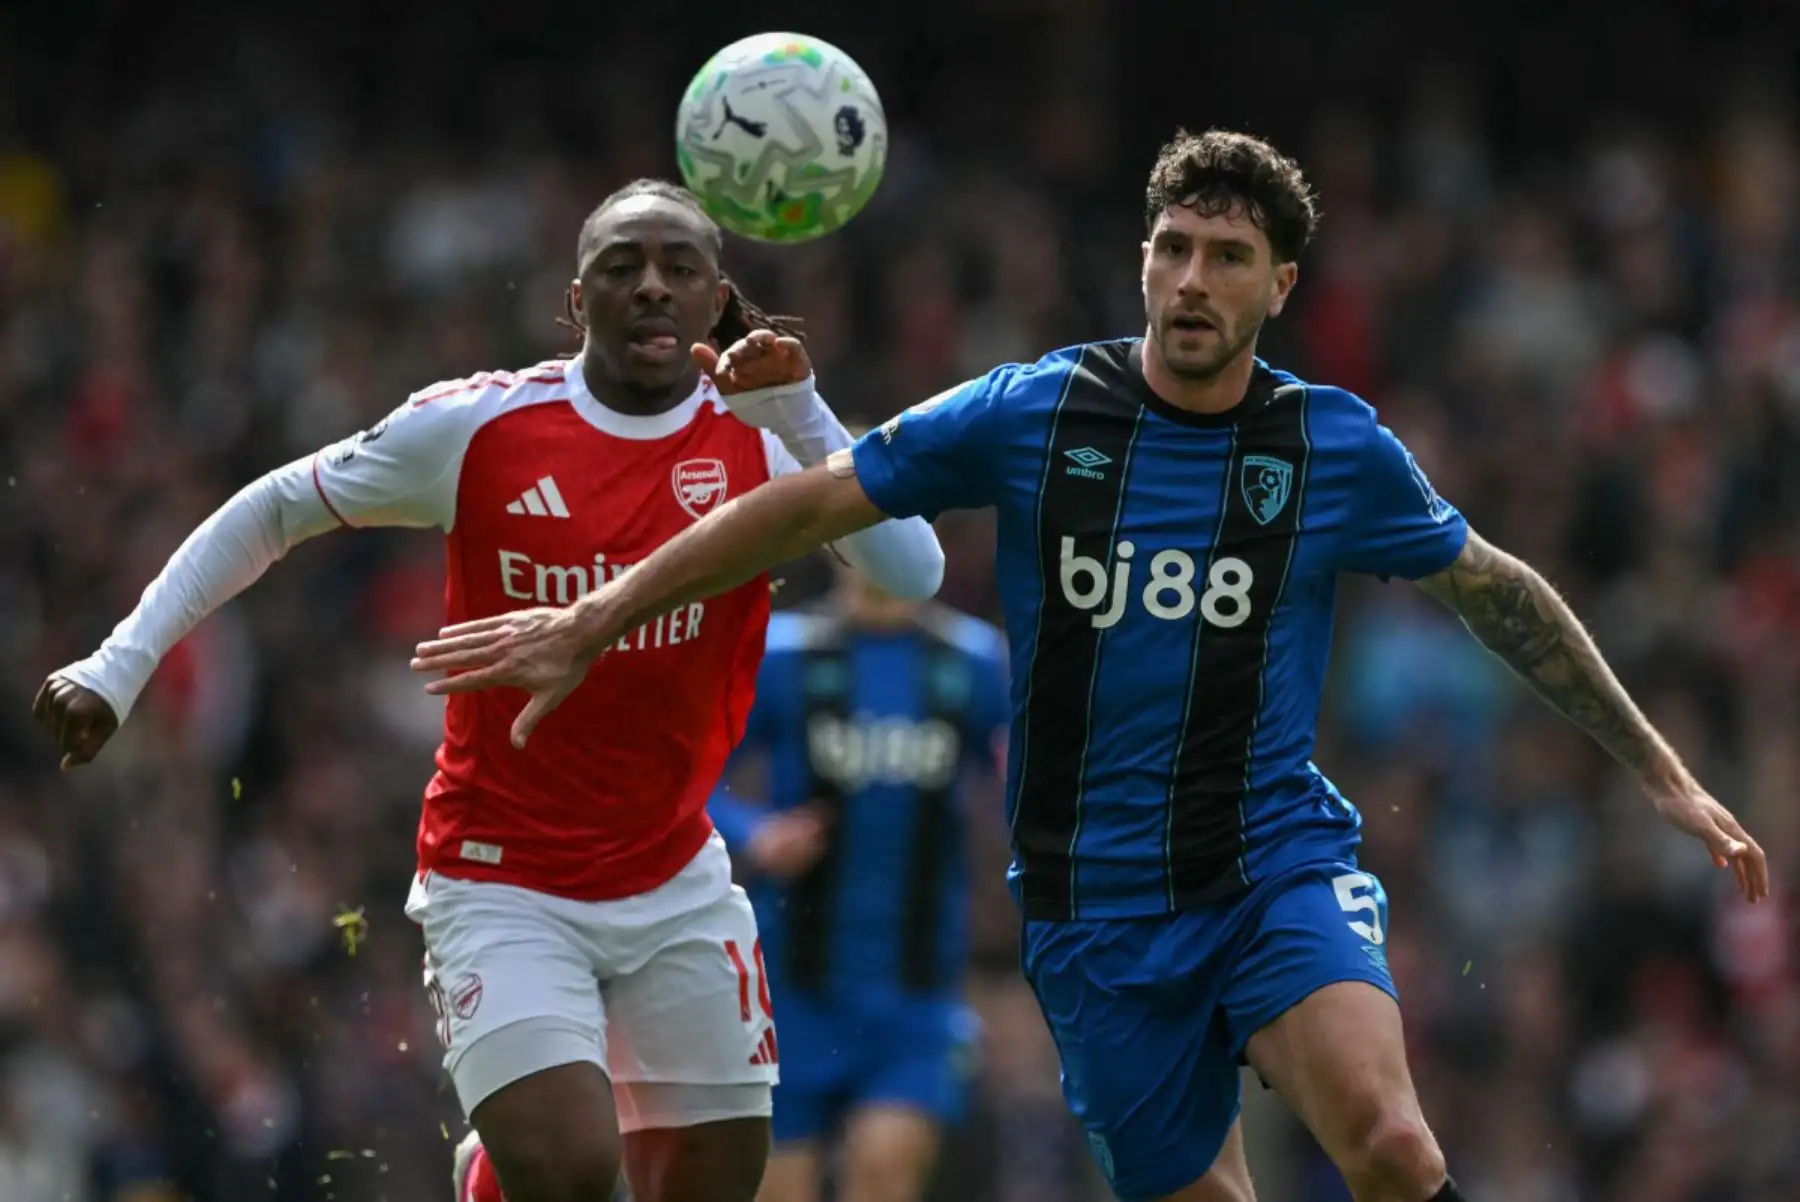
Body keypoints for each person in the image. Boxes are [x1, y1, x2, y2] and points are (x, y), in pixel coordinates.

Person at [405, 131, 1772, 1202]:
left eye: (1227, 257)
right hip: (1091, 912)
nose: (1191, 280)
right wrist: (598, 615)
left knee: (1395, 1145)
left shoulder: (1332, 447)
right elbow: (809, 503)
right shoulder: (1033, 409)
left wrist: (1663, 775)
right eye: (1173, 248)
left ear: (1278, 287)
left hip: (1269, 862)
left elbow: (1498, 592)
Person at [31, 179, 946, 1202]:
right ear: (575, 302)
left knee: (713, 1181)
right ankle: (500, 1171)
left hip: (674, 868)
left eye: (679, 268)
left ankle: (492, 1167)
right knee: (570, 1170)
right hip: (501, 873)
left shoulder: (764, 439)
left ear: (717, 298)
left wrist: (801, 409)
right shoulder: (481, 427)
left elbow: (914, 571)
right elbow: (274, 507)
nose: (651, 286)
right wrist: (116, 665)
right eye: (622, 267)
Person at [709, 562, 1008, 1202]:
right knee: (780, 1189)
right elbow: (699, 778)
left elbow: (1029, 783)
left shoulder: (975, 662)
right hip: (792, 989)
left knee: (883, 1171)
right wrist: (754, 834)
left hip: (918, 993)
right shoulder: (782, 654)